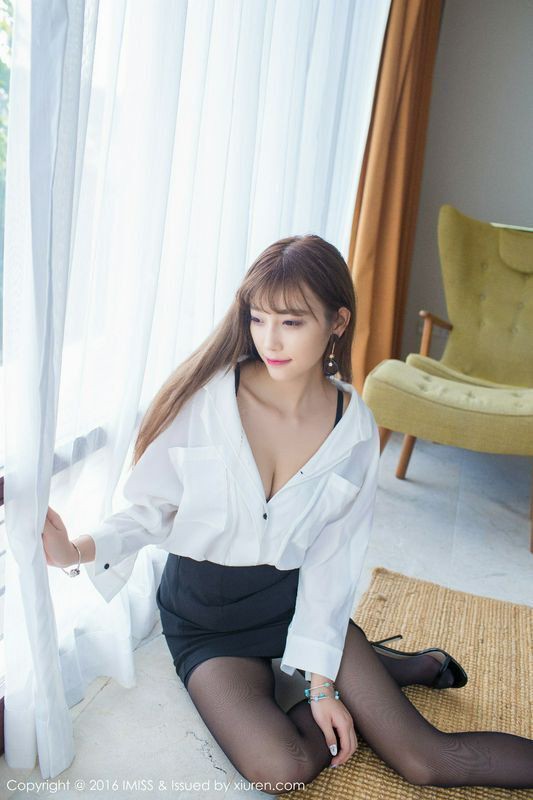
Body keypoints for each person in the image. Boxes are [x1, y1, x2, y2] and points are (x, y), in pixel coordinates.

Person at [43, 234, 533, 793]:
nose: (269, 340)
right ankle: (382, 670)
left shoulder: (353, 427)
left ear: (337, 322)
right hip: (206, 619)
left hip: (294, 601)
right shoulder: (208, 400)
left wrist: (322, 685)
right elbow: (152, 511)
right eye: (258, 318)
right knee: (284, 769)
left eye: (292, 322)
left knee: (427, 761)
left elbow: (332, 560)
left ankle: (367, 669)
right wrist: (75, 550)